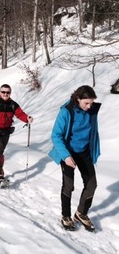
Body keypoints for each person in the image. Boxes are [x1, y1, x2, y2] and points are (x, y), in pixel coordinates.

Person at [49, 85, 101, 231]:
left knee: (92, 184)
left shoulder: (92, 111)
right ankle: (66, 215)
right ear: (78, 99)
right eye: (86, 103)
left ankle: (81, 213)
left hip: (84, 152)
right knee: (69, 185)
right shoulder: (66, 111)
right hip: (68, 152)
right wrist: (66, 156)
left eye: (91, 103)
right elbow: (56, 135)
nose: (89, 106)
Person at [0, 84, 33, 181]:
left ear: (10, 93)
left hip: (6, 131)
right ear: (0, 92)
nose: (5, 94)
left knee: (0, 152)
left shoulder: (12, 104)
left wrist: (27, 118)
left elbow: (20, 114)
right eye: (3, 92)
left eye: (8, 92)